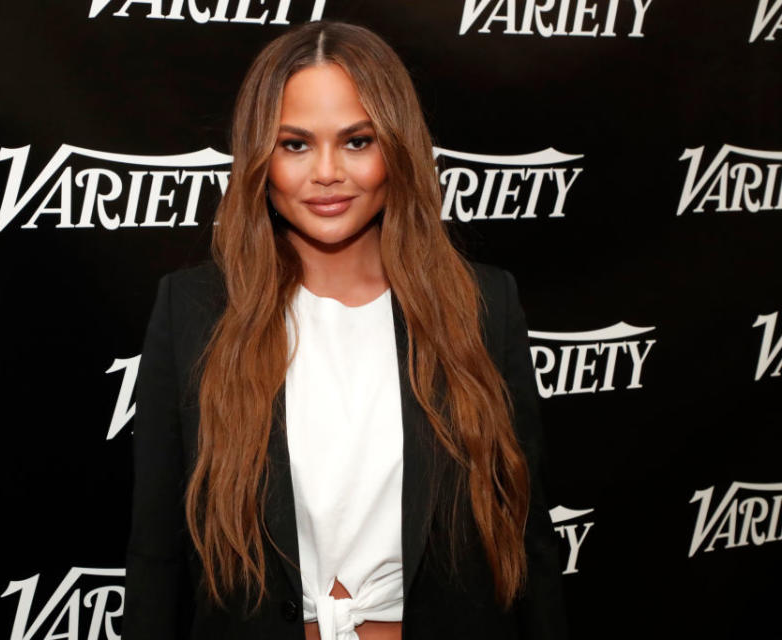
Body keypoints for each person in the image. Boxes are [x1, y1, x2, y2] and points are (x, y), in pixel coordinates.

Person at [123, 20, 568, 640]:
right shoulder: (195, 311)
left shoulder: (482, 305)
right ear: (260, 157)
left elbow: (528, 540)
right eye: (295, 144)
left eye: (357, 141)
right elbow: (156, 558)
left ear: (397, 147)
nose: (327, 171)